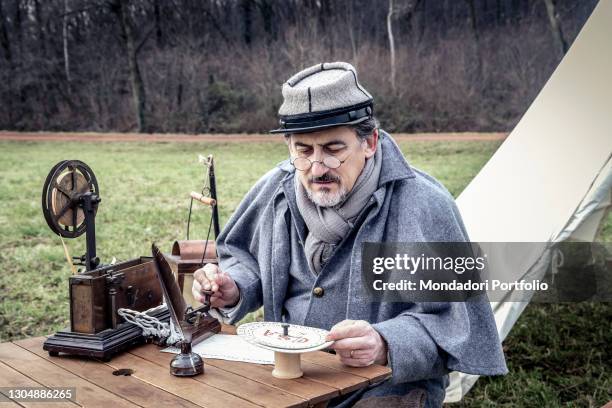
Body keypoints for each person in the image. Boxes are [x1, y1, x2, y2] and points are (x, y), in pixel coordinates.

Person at [192, 62, 507, 407]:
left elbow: (453, 323)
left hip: (386, 385)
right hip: (292, 375)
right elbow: (246, 259)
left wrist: (385, 341)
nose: (317, 167)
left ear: (369, 141)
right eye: (304, 150)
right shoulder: (275, 191)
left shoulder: (423, 206)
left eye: (333, 149)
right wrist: (233, 286)